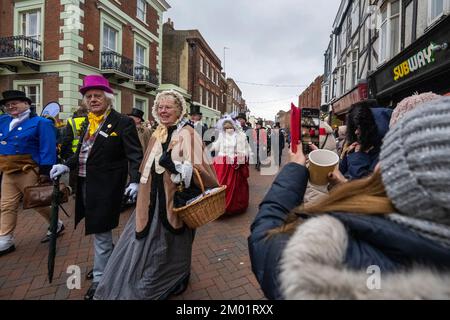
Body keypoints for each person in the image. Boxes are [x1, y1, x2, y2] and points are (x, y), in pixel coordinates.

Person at [249, 97, 450, 300]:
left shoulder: (330, 251)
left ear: (395, 168)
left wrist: (294, 169)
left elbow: (265, 238)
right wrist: (345, 183)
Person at [94, 90, 219, 300]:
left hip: (174, 199)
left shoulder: (188, 134)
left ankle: (177, 276)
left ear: (179, 110)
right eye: (160, 107)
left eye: (168, 107)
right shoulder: (156, 133)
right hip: (150, 198)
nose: (163, 111)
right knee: (147, 240)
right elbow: (146, 166)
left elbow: (202, 171)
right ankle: (151, 275)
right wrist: (137, 186)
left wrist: (177, 168)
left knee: (174, 241)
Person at [50, 75, 143, 300]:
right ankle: (108, 265)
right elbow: (83, 153)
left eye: (97, 96)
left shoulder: (122, 122)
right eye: (88, 96)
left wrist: (134, 180)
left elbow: (134, 154)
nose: (92, 100)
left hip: (107, 186)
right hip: (85, 183)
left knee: (100, 231)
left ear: (108, 98)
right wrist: (65, 165)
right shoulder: (88, 121)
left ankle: (102, 278)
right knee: (98, 229)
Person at [0, 90, 64, 256]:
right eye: (7, 105)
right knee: (6, 205)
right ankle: (5, 238)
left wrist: (45, 171)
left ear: (27, 104)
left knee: (37, 202)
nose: (10, 107)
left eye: (15, 103)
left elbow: (47, 147)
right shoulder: (3, 121)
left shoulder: (41, 122)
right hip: (7, 170)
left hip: (28, 169)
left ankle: (56, 223)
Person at [338, 100, 392, 182]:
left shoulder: (384, 153)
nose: (356, 132)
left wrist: (357, 156)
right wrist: (347, 155)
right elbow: (341, 171)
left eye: (359, 127)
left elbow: (364, 183)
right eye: (355, 127)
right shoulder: (358, 144)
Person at [212, 116, 251, 215]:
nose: (228, 130)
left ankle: (233, 207)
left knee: (234, 186)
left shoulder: (240, 136)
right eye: (226, 128)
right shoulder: (222, 136)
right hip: (221, 164)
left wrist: (239, 160)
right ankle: (218, 208)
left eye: (230, 128)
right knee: (219, 185)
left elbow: (245, 150)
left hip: (233, 164)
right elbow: (216, 146)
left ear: (234, 127)